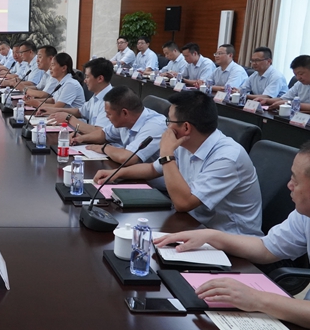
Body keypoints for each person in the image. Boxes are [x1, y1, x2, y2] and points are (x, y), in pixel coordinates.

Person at [154, 143, 310, 330]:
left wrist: (257, 299)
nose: (289, 186)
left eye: (295, 180)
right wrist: (212, 236)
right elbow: (267, 248)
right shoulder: (305, 215)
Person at [94, 91, 263, 236]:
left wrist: (167, 154)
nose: (167, 127)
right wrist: (117, 174)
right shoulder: (185, 143)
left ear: (186, 127)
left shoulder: (227, 157)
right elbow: (152, 168)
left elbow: (183, 203)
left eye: (169, 121)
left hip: (231, 242)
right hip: (193, 226)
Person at [72, 85, 165, 164]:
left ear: (124, 113)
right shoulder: (126, 120)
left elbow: (127, 158)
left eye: (109, 114)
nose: (106, 117)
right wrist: (80, 138)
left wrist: (104, 148)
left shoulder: (154, 127)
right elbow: (104, 134)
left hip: (151, 179)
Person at [40, 57, 114, 134]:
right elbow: (80, 111)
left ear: (100, 79)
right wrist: (52, 110)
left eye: (87, 77)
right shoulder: (97, 95)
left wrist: (68, 118)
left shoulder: (111, 101)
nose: (85, 81)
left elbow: (100, 132)